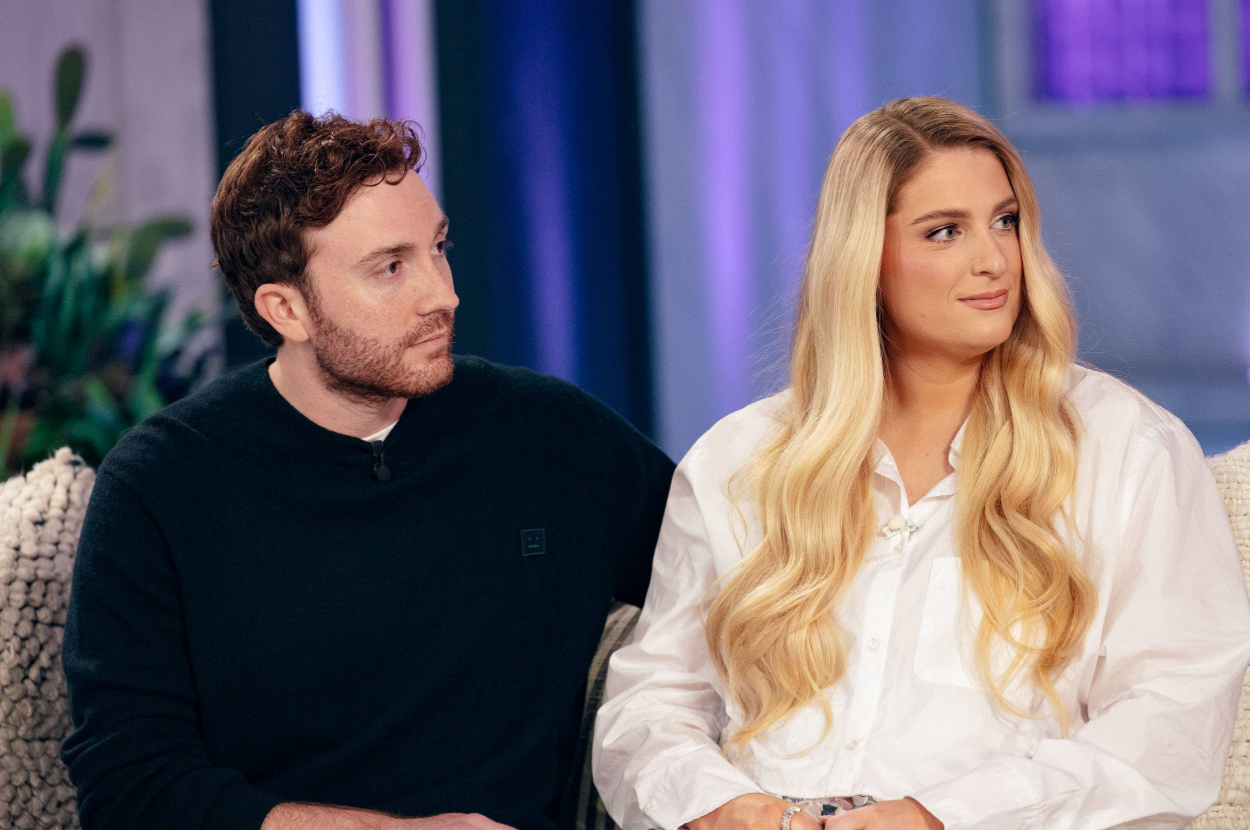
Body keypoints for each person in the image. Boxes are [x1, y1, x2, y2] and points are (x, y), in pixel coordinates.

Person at [592, 97, 1250, 830]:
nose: (994, 259)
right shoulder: (741, 460)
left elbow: (1170, 728)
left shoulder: (1126, 447)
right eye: (945, 232)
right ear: (863, 261)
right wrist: (715, 806)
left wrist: (940, 817)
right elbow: (651, 702)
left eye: (1006, 222)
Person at [60, 111, 675, 830]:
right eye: (390, 267)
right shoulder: (160, 488)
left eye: (438, 248)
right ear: (286, 309)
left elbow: (746, 590)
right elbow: (129, 787)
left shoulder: (552, 437)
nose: (441, 294)